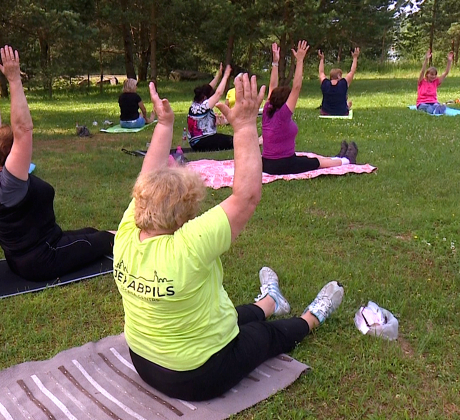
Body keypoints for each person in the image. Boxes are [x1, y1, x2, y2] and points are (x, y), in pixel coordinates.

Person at [113, 75, 345, 402]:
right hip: (197, 377)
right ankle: (312, 316)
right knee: (261, 336)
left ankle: (271, 302)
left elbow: (146, 175)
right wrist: (246, 126)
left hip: (144, 361)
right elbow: (247, 196)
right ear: (185, 217)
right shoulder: (188, 244)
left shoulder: (126, 232)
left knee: (234, 316)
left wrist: (165, 125)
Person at [0, 45, 114, 282]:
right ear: (12, 154)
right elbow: (23, 129)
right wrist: (14, 80)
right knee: (110, 239)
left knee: (92, 233)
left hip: (24, 258)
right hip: (43, 259)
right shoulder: (10, 182)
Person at [262, 41, 358, 175]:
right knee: (316, 162)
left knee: (311, 159)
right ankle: (347, 160)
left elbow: (272, 86)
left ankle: (338, 157)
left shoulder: (268, 109)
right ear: (285, 101)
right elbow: (296, 87)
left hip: (266, 163)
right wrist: (300, 60)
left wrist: (275, 63)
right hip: (282, 164)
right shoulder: (283, 115)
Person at [187, 63, 234, 151]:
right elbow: (218, 93)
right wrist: (226, 76)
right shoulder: (204, 106)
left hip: (196, 142)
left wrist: (218, 75)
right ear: (205, 98)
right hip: (202, 142)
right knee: (233, 141)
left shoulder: (195, 104)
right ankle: (257, 142)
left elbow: (208, 88)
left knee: (229, 139)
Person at [318, 47, 359, 116]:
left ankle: (347, 105)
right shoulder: (343, 83)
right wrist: (355, 58)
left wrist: (321, 59)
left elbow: (321, 72)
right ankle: (347, 106)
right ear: (339, 76)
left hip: (326, 112)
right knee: (347, 102)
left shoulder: (325, 83)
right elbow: (352, 71)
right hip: (342, 112)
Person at [417, 49, 453, 115]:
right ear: (427, 74)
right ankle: (435, 111)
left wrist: (449, 61)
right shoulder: (421, 81)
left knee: (436, 106)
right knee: (428, 107)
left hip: (433, 102)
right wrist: (426, 60)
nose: (433, 76)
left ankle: (437, 110)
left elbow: (446, 73)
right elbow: (422, 71)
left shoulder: (435, 82)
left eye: (434, 75)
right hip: (422, 103)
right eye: (431, 74)